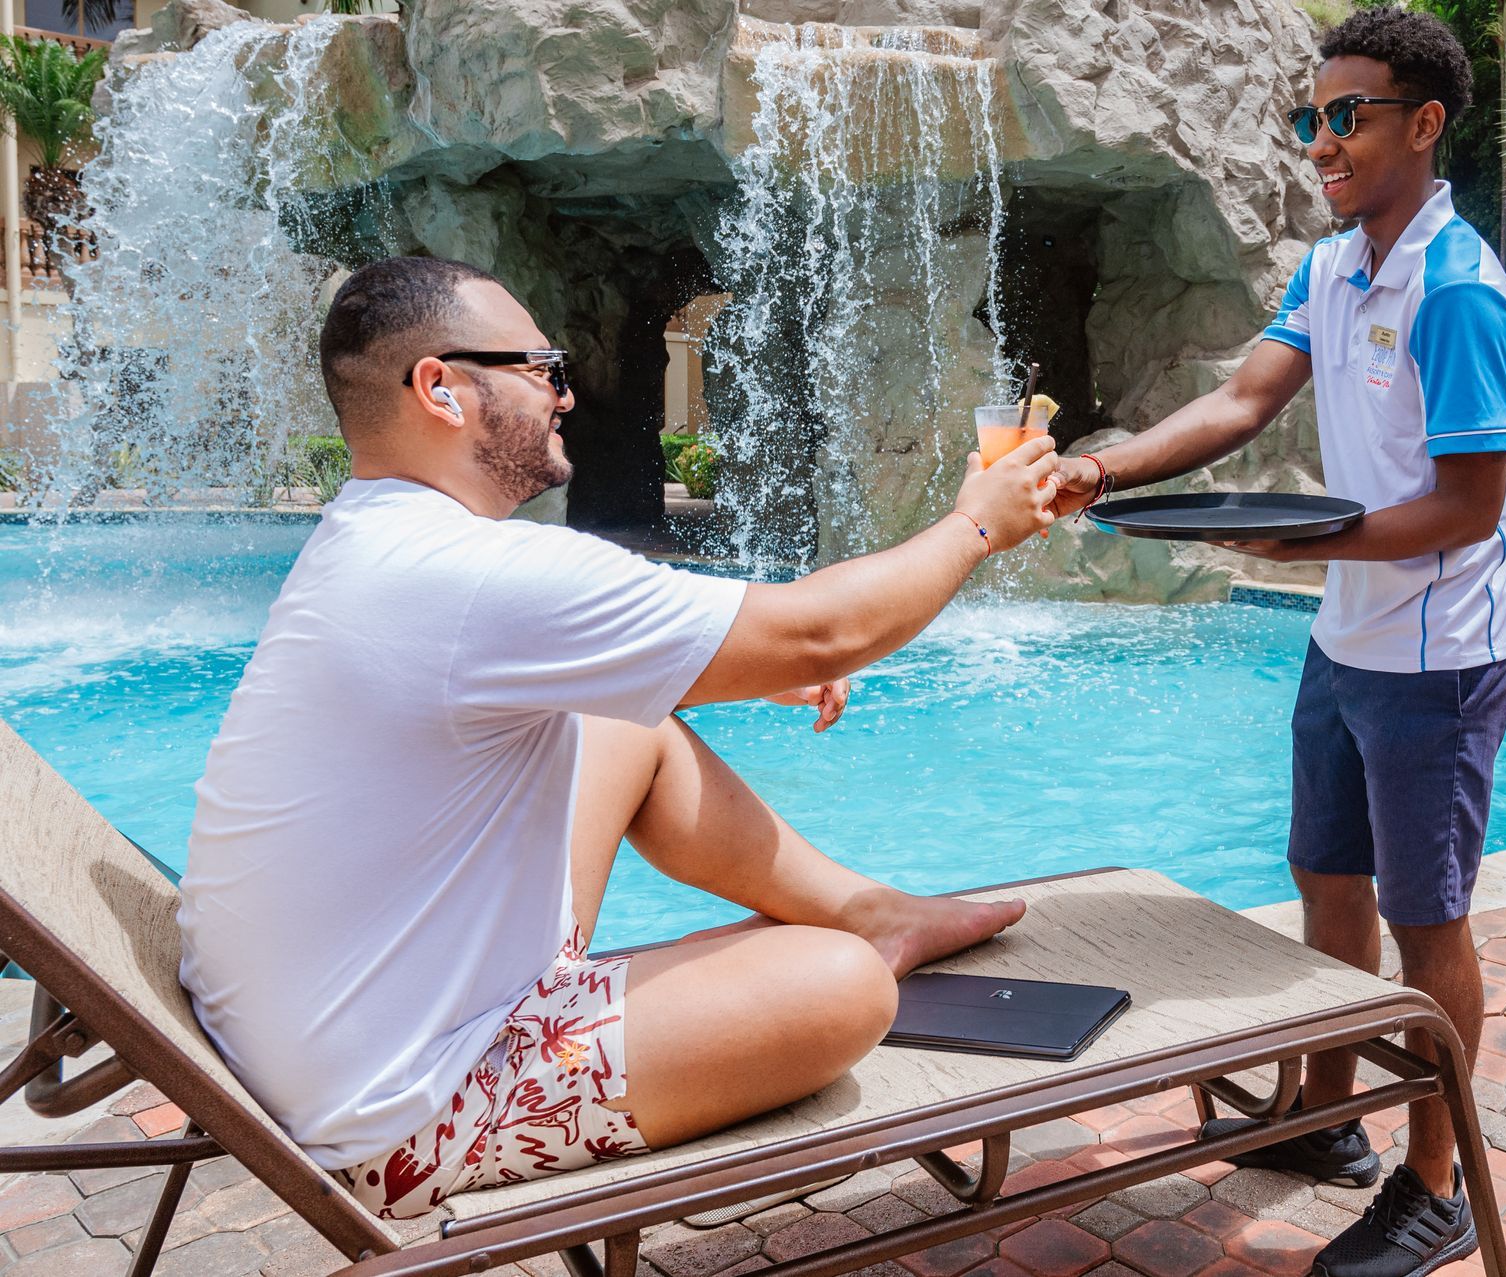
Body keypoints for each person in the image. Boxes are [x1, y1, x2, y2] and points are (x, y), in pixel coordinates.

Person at [177, 255, 1060, 1219]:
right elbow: (822, 630)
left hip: (321, 1040)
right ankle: (855, 943)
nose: (564, 392)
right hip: (397, 1115)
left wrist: (726, 662)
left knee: (619, 721)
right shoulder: (474, 575)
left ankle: (872, 909)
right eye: (537, 366)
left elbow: (718, 651)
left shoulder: (375, 541)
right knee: (840, 990)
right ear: (440, 388)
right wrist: (978, 524)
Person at [1052, 11, 1506, 1277]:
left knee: (1431, 926)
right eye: (1309, 117)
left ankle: (1439, 1181)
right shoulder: (1333, 268)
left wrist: (1304, 544)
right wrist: (1098, 468)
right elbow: (1241, 398)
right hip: (1349, 637)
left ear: (1423, 124)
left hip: (1439, 652)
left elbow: (1471, 507)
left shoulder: (1460, 291)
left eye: (1347, 114)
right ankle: (1329, 1120)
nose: (1321, 139)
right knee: (1326, 876)